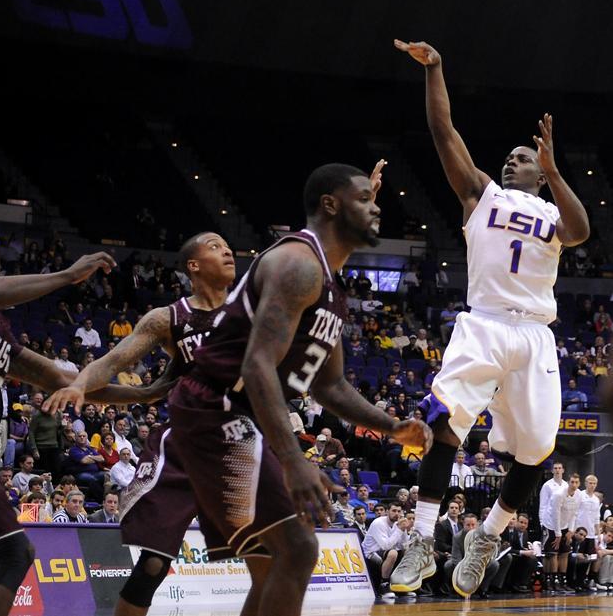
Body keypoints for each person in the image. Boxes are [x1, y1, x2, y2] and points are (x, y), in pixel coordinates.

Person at [47, 163, 432, 616]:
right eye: (365, 199)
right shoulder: (291, 268)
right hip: (213, 415)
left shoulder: (325, 288)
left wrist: (390, 426)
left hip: (240, 419)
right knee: (273, 551)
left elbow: (330, 385)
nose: (377, 207)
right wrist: (79, 384)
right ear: (331, 205)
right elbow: (245, 366)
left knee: (273, 562)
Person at [391, 40, 589, 597]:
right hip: (482, 323)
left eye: (523, 158)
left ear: (542, 173)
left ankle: (486, 537)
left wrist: (554, 168)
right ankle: (422, 542)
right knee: (442, 422)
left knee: (536, 451)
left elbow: (580, 233)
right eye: (510, 157)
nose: (512, 161)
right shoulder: (482, 193)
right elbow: (443, 133)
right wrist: (435, 71)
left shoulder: (554, 213)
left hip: (534, 335)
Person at [43, 231, 243, 616]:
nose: (228, 250)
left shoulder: (250, 308)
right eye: (215, 246)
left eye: (228, 246)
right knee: (154, 563)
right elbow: (113, 361)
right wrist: (82, 384)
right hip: (187, 442)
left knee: (279, 551)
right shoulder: (168, 318)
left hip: (239, 443)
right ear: (194, 265)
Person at [0, 226, 120, 616]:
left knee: (7, 552)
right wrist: (67, 276)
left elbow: (63, 380)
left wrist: (147, 393)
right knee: (11, 551)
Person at [540, 462, 568, 589]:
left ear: (563, 470)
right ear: (552, 471)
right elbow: (543, 504)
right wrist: (542, 521)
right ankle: (548, 579)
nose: (557, 470)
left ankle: (561, 580)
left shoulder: (567, 485)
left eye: (559, 468)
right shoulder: (547, 486)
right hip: (549, 522)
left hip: (562, 522)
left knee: (563, 552)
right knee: (550, 552)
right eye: (555, 468)